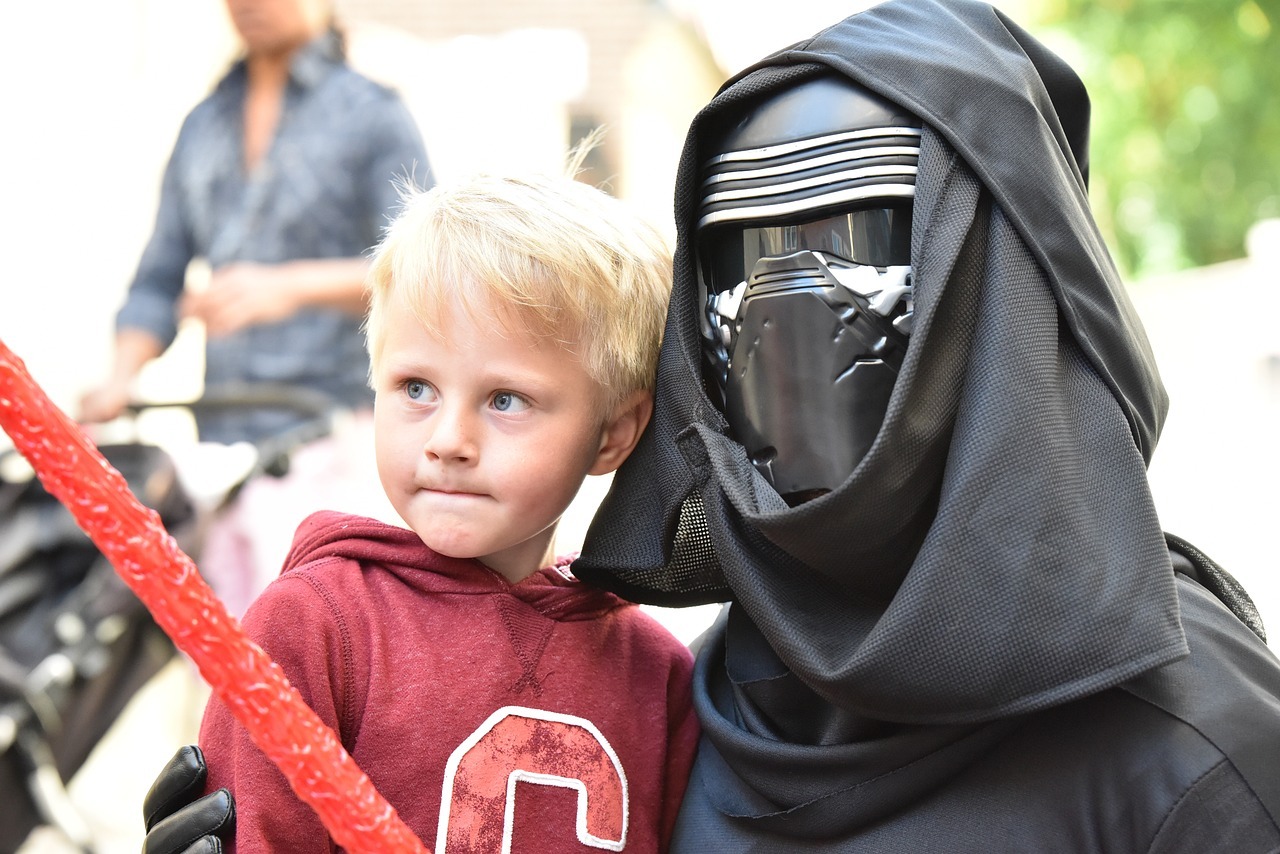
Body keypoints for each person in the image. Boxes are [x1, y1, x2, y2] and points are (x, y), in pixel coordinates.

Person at [139, 0, 1280, 851]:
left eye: (852, 244)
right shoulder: (698, 686)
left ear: (991, 289)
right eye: (741, 263)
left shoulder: (1188, 736)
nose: (783, 317)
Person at [148, 171, 698, 853]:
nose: (448, 441)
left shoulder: (659, 677)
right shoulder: (315, 628)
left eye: (505, 400)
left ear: (613, 433)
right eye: (416, 387)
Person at [78, 0, 430, 615]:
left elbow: (421, 268)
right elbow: (157, 279)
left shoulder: (374, 116)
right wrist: (118, 378)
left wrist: (289, 287)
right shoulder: (203, 123)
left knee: (309, 655)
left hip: (330, 439)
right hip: (218, 452)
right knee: (221, 665)